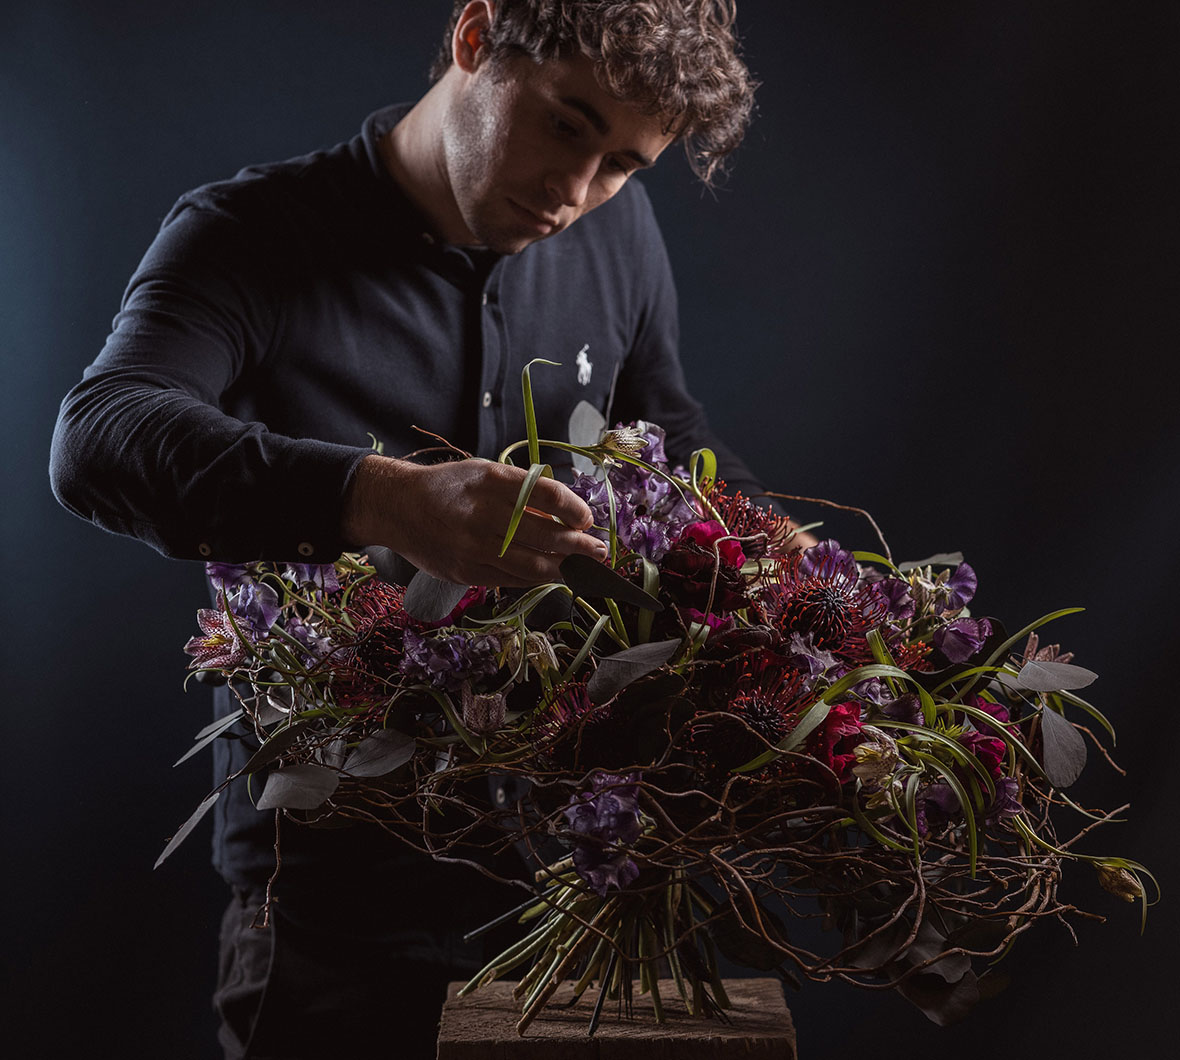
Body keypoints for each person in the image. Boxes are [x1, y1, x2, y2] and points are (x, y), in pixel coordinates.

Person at [50, 2, 811, 1056]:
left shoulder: (618, 234)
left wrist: (806, 602)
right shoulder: (248, 234)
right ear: (475, 39)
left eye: (623, 165)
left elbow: (672, 450)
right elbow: (99, 437)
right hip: (328, 909)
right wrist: (387, 498)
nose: (574, 194)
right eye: (563, 125)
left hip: (569, 889)